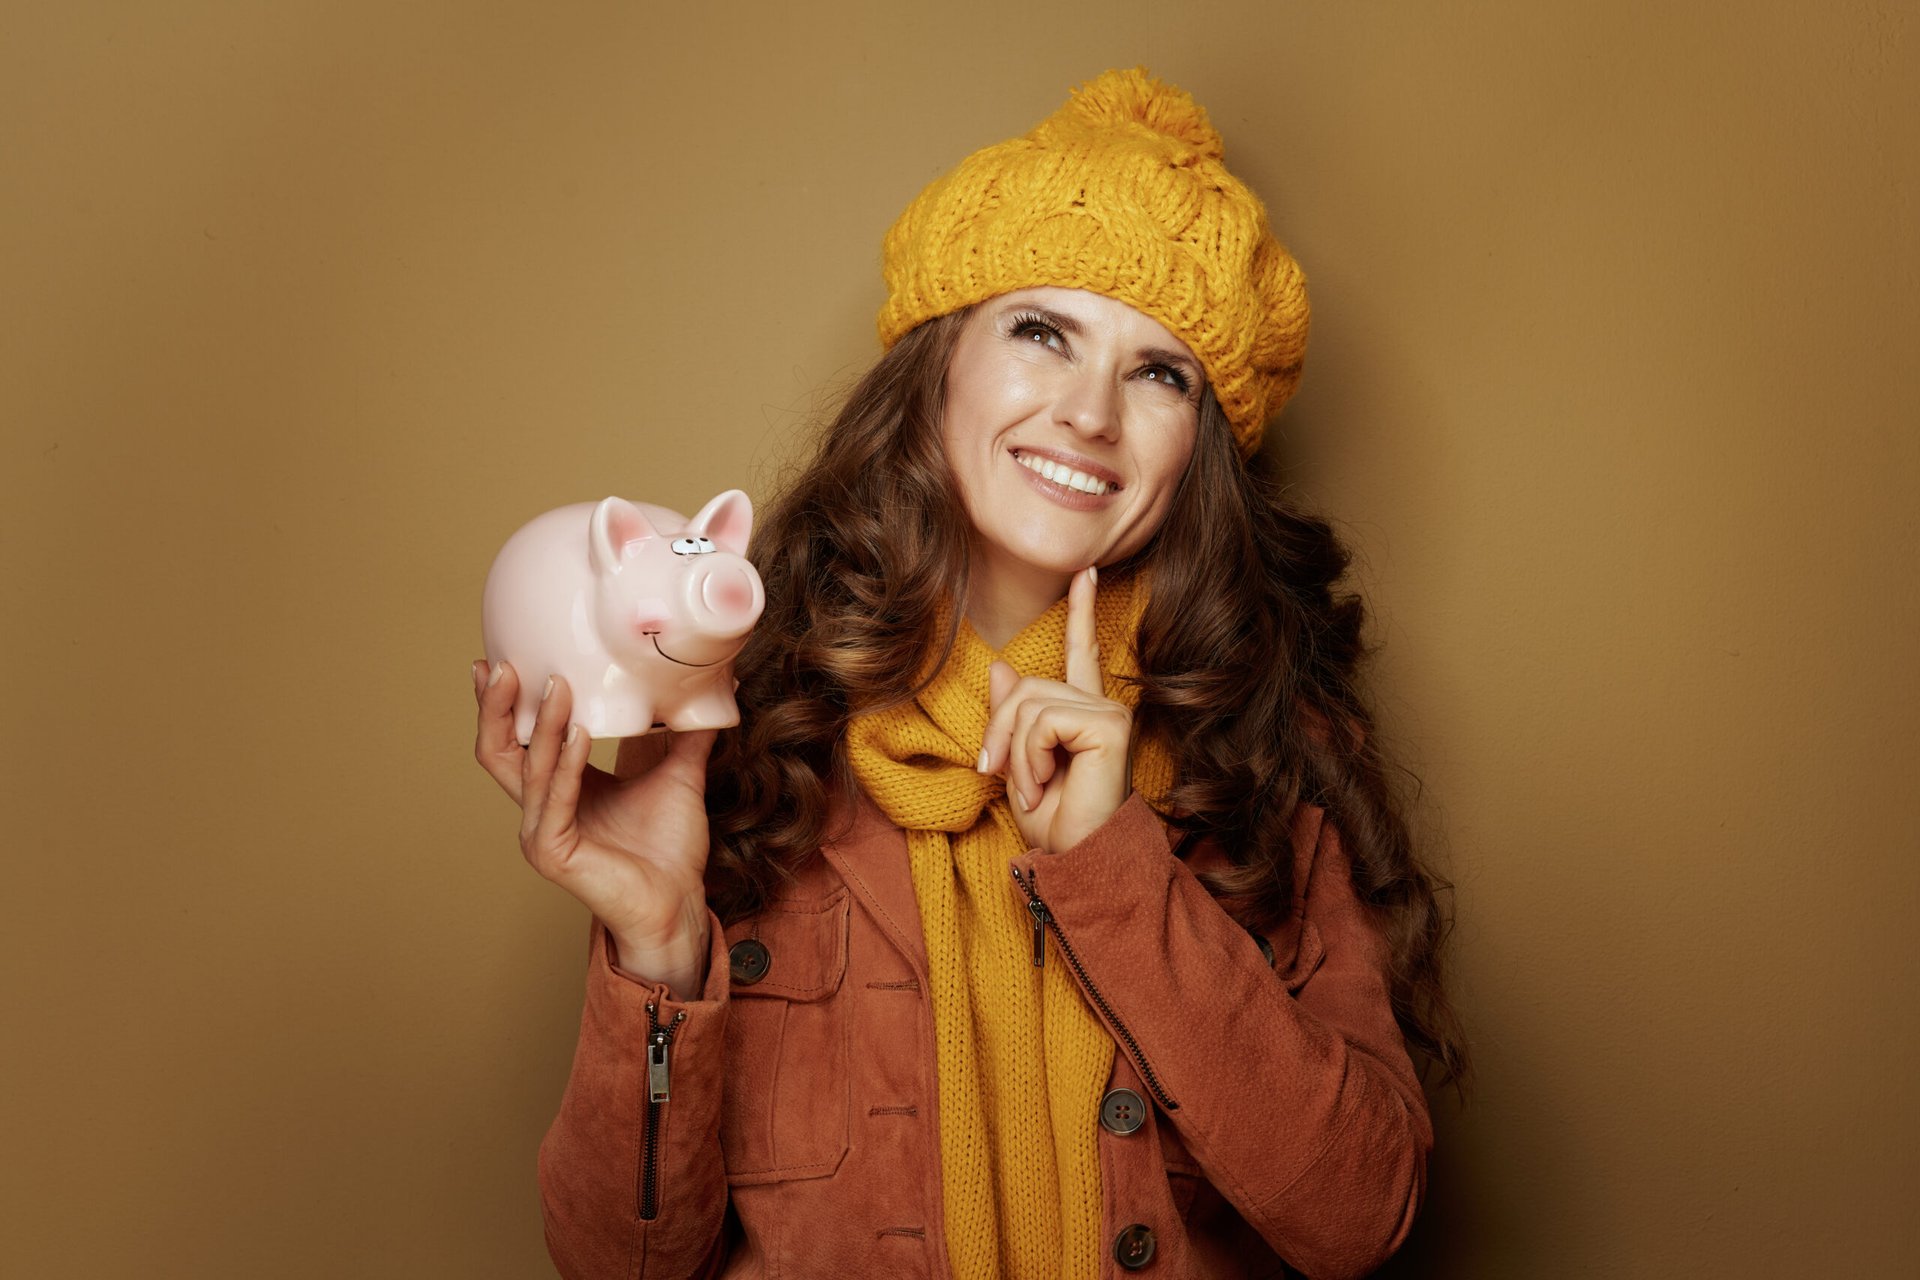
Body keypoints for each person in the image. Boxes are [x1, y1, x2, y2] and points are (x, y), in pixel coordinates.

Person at [471, 66, 1468, 1280]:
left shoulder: (1264, 742)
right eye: (1043, 331)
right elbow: (618, 1267)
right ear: (937, 364)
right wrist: (656, 950)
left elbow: (1361, 1218)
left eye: (1162, 372)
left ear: (1201, 444)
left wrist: (1113, 870)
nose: (1091, 412)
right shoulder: (754, 729)